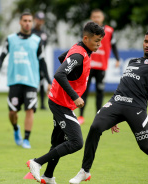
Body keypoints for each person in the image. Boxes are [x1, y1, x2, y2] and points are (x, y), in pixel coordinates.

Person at [69, 30, 148, 183]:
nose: (147, 45)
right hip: (116, 102)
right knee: (95, 127)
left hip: (136, 108)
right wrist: (112, 116)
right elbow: (124, 85)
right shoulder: (132, 61)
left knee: (146, 146)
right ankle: (84, 171)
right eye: (146, 41)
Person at [26, 22, 105, 184]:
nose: (99, 44)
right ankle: (36, 162)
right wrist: (75, 96)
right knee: (76, 142)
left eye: (100, 41)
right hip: (60, 103)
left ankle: (48, 176)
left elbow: (63, 58)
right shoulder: (79, 55)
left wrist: (73, 75)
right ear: (86, 38)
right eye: (97, 41)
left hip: (61, 101)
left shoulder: (80, 49)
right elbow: (60, 74)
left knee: (57, 142)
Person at [0, 12, 51, 149]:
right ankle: (15, 128)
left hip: (31, 81)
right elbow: (2, 56)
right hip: (14, 81)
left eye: (30, 21)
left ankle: (26, 139)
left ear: (32, 22)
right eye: (25, 20)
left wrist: (49, 81)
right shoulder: (10, 39)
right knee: (12, 112)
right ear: (20, 22)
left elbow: (43, 62)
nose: (27, 23)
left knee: (29, 110)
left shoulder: (37, 41)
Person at [78, 9, 120, 125]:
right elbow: (80, 44)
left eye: (98, 16)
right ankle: (81, 116)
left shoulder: (110, 31)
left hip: (101, 66)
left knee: (100, 92)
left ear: (102, 18)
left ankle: (98, 116)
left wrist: (117, 58)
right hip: (88, 65)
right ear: (91, 18)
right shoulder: (87, 30)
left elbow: (114, 45)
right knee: (84, 91)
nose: (96, 18)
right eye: (94, 16)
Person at [32, 11, 52, 110]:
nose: (39, 22)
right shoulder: (31, 32)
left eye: (41, 20)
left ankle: (42, 104)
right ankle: (31, 102)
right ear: (35, 19)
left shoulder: (44, 34)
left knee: (42, 82)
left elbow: (45, 46)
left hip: (41, 60)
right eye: (38, 19)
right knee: (32, 82)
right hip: (32, 61)